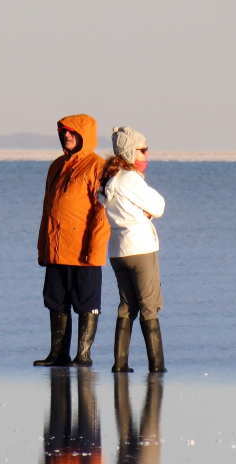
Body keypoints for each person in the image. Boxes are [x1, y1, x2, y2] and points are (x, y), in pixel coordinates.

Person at [34, 114, 110, 367]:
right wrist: (43, 248)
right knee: (55, 300)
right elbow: (48, 210)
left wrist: (94, 249)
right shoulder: (56, 166)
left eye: (71, 132)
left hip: (83, 251)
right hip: (57, 249)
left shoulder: (97, 167)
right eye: (63, 131)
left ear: (83, 135)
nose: (66, 135)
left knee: (87, 302)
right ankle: (58, 354)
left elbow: (101, 213)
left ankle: (83, 355)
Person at [98, 126, 167, 373]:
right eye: (143, 150)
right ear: (130, 152)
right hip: (140, 248)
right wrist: (145, 213)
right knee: (149, 306)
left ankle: (120, 363)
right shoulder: (131, 180)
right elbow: (159, 206)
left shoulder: (110, 179)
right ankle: (157, 366)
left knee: (126, 305)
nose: (146, 155)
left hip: (118, 251)